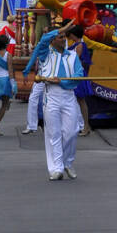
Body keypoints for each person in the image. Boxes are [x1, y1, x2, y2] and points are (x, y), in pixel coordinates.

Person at [39, 31, 85, 180]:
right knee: (54, 133)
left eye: (64, 36)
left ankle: (67, 162)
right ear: (52, 40)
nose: (64, 39)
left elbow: (79, 76)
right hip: (51, 96)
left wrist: (62, 82)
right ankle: (56, 168)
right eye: (60, 37)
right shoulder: (46, 55)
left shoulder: (72, 56)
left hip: (68, 96)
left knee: (71, 131)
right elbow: (42, 41)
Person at [21, 20, 74, 134]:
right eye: (60, 36)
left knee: (69, 98)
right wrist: (26, 71)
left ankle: (77, 124)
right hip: (44, 77)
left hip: (59, 79)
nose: (44, 34)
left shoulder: (61, 46)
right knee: (34, 98)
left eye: (46, 32)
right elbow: (34, 56)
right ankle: (32, 125)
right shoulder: (44, 46)